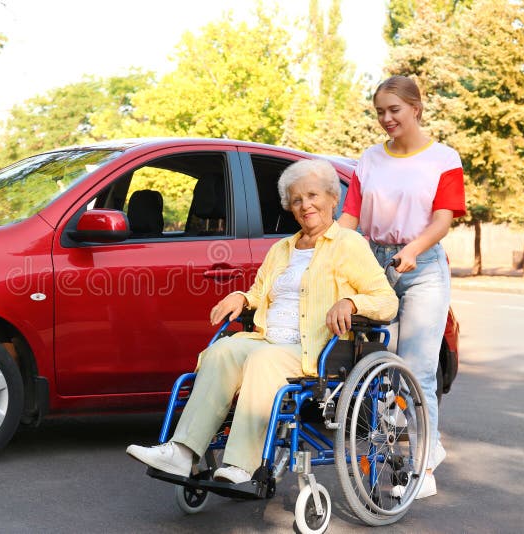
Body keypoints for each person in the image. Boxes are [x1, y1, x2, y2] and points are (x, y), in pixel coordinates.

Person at [126, 159, 399, 484]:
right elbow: (260, 291)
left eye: (313, 195)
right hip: (269, 341)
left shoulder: (349, 244)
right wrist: (242, 297)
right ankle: (182, 453)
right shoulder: (281, 249)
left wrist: (352, 301)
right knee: (222, 351)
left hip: (314, 349)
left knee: (262, 360)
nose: (305, 205)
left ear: (331, 198)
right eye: (297, 200)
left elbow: (386, 301)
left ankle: (242, 464)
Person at [338, 75, 466, 499]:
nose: (386, 119)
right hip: (374, 261)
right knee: (375, 370)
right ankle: (410, 446)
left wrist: (413, 249)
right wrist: (324, 249)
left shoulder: (443, 158)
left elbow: (443, 220)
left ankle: (423, 467)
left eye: (394, 110)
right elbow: (351, 217)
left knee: (416, 368)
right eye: (379, 112)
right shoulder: (370, 159)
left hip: (422, 265)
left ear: (416, 107)